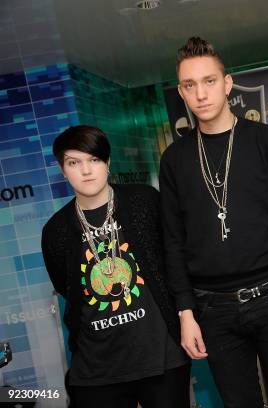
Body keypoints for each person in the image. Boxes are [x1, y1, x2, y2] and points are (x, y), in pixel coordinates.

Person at [159, 37, 268, 408]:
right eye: (190, 85)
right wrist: (185, 313)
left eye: (209, 81)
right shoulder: (175, 160)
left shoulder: (266, 142)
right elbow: (173, 241)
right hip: (212, 308)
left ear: (227, 84)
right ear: (181, 92)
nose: (201, 93)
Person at [41, 125, 190, 408]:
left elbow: (174, 261)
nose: (86, 170)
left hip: (161, 359)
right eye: (74, 162)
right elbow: (67, 288)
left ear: (107, 162)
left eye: (94, 160)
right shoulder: (56, 231)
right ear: (63, 170)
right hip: (97, 370)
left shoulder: (143, 201)